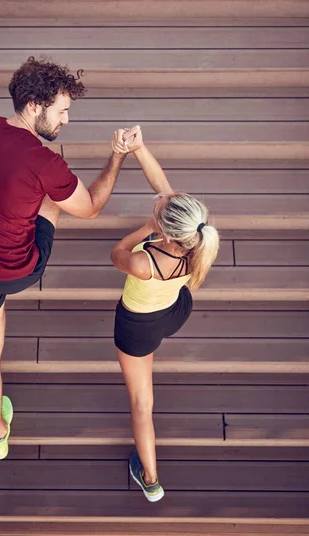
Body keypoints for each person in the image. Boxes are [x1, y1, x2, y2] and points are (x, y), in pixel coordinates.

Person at [0, 56, 139, 460]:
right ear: (34, 104)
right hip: (18, 270)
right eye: (63, 110)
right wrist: (118, 156)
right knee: (55, 202)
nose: (67, 120)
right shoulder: (44, 162)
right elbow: (89, 208)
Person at [111, 127, 220, 502]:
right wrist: (139, 148)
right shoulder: (198, 240)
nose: (155, 204)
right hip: (175, 311)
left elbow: (116, 254)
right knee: (147, 373)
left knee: (142, 405)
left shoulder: (145, 262)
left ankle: (151, 480)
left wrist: (145, 229)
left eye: (157, 211)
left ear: (166, 233)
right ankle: (150, 478)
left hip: (138, 327)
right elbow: (164, 188)